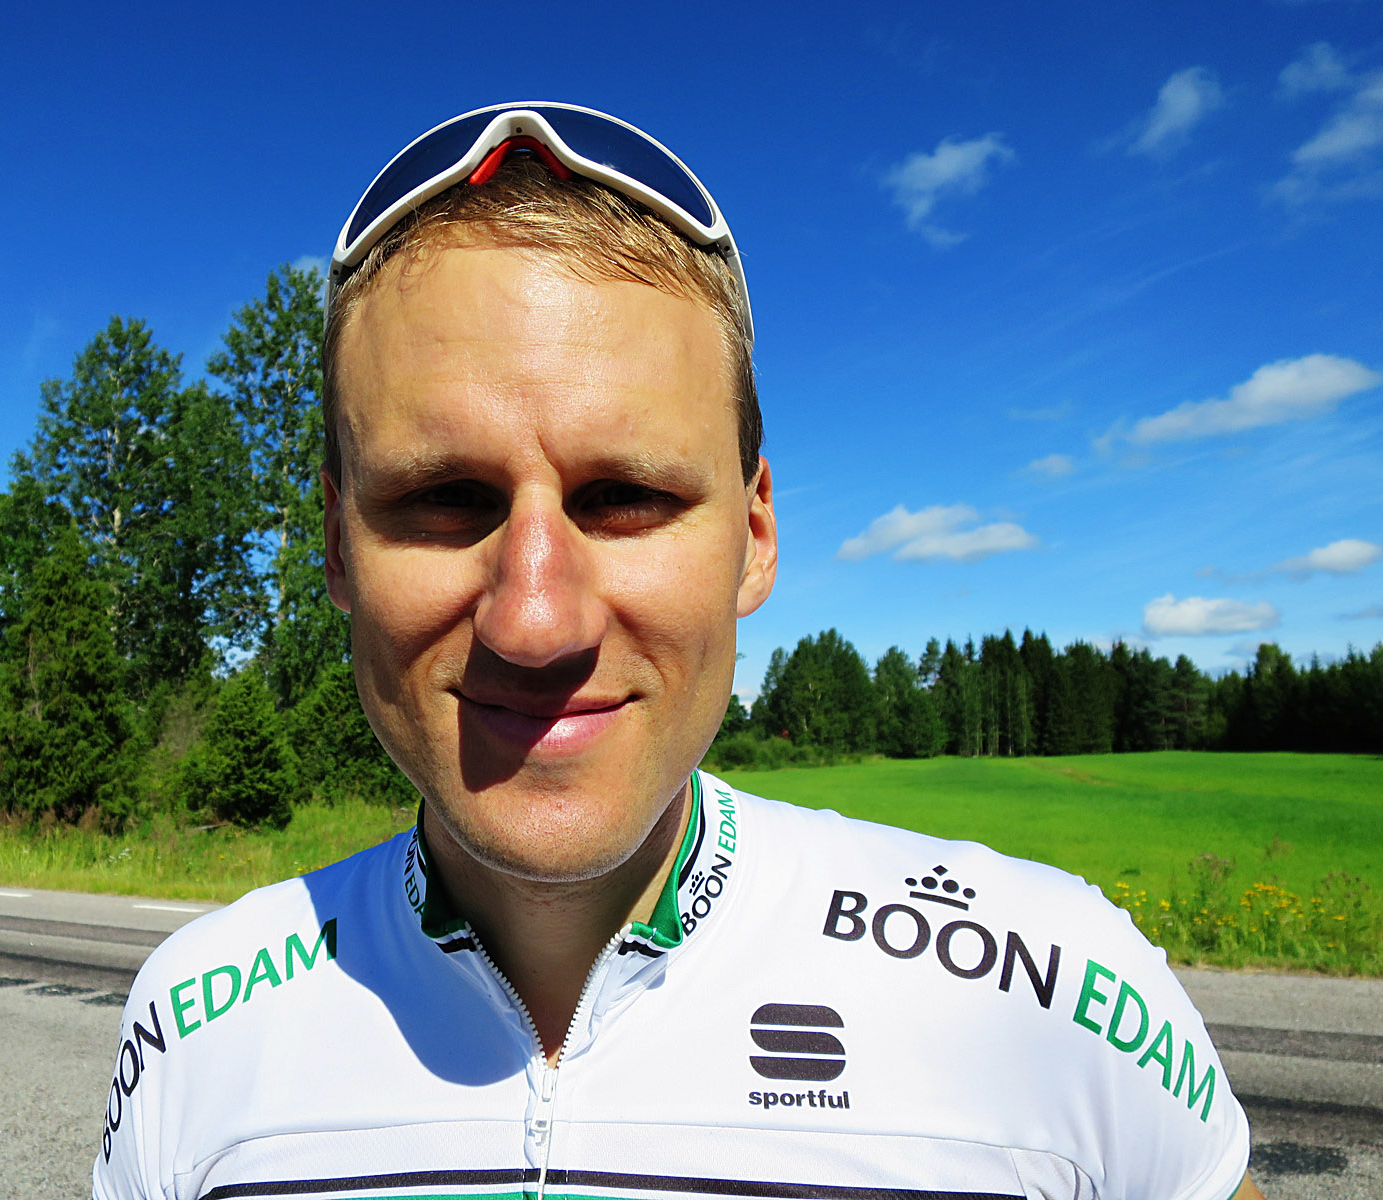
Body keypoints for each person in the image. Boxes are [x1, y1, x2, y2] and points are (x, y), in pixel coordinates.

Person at [92, 103, 1262, 1200]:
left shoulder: (1052, 990)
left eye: (627, 496)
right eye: (445, 498)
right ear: (336, 549)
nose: (534, 621)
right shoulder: (193, 1027)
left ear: (755, 538)